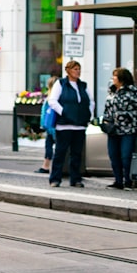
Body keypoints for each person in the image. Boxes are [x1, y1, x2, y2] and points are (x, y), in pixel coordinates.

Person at [46, 60, 94, 188]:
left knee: (77, 154)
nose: (78, 71)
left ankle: (76, 179)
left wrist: (88, 113)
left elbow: (91, 101)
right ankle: (55, 179)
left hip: (80, 125)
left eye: (79, 69)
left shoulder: (83, 85)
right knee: (60, 152)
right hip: (64, 125)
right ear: (68, 70)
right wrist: (64, 112)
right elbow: (52, 101)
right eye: (75, 69)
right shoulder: (61, 84)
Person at [101, 68, 137, 189]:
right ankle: (118, 181)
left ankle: (128, 181)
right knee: (113, 155)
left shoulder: (133, 91)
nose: (112, 78)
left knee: (126, 156)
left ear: (121, 78)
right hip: (113, 129)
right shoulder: (111, 91)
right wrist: (105, 122)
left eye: (115, 76)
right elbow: (107, 109)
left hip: (128, 129)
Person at [36, 75, 58, 174]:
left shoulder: (52, 98)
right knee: (49, 146)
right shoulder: (52, 97)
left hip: (52, 126)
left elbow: (45, 113)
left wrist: (44, 125)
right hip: (51, 126)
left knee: (51, 146)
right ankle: (46, 166)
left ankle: (47, 166)